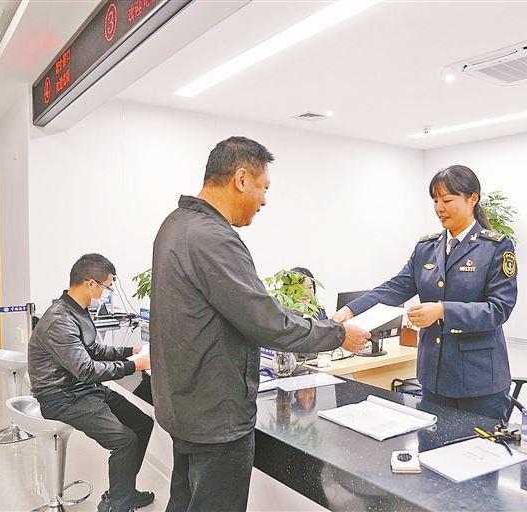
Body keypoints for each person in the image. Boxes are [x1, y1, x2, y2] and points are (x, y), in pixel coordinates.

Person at [150, 136, 370, 512]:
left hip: (184, 404)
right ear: (241, 179)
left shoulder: (175, 224)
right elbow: (267, 322)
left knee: (185, 500)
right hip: (217, 416)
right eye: (263, 187)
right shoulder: (214, 238)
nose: (264, 200)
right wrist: (338, 335)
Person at [332, 165, 518, 422]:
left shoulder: (495, 247)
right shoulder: (427, 247)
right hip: (434, 378)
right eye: (435, 200)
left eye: (447, 200)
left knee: (479, 446)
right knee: (430, 444)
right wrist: (351, 309)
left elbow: (499, 309)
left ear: (472, 199)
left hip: (479, 380)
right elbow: (396, 287)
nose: (439, 208)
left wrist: (443, 311)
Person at [28, 254, 154, 512]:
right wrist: (134, 366)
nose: (107, 293)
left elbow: (94, 349)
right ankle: (116, 505)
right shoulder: (59, 320)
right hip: (60, 397)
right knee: (124, 440)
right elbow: (86, 369)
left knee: (143, 424)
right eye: (107, 287)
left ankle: (123, 493)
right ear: (90, 284)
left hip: (82, 390)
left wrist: (131, 351)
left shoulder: (78, 310)